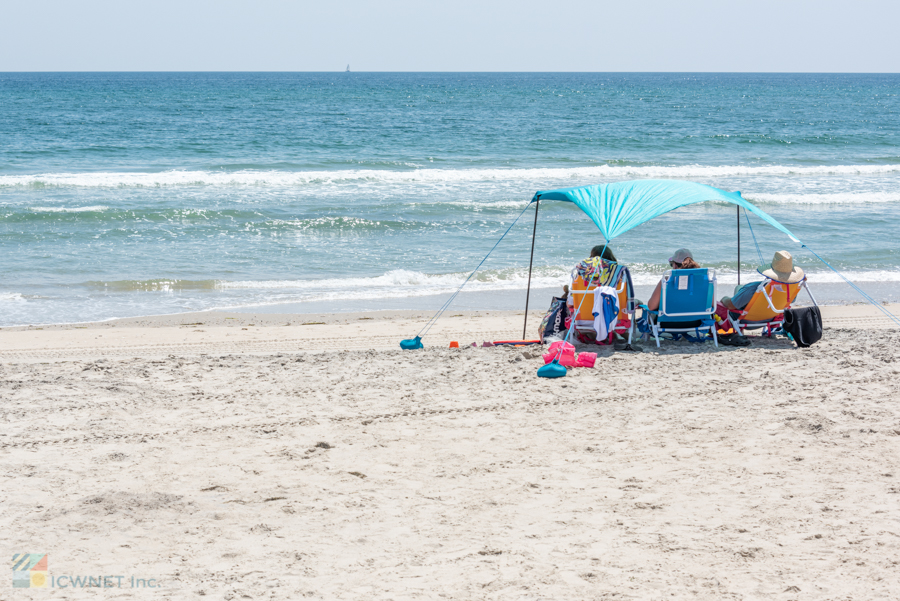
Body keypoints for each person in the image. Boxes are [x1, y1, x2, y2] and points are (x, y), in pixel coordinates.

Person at [720, 250, 805, 312]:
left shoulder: (755, 288)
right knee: (740, 288)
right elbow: (792, 301)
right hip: (773, 317)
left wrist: (724, 299)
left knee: (739, 289)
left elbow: (731, 306)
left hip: (749, 320)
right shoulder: (790, 288)